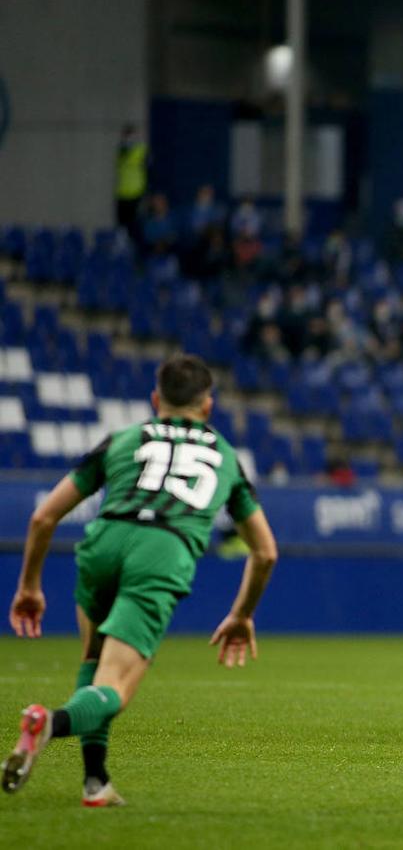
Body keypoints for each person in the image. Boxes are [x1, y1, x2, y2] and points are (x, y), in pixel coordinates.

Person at [4, 354, 278, 806]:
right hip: (162, 552)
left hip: (104, 543)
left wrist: (30, 585)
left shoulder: (123, 439)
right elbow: (265, 552)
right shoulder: (225, 456)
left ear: (156, 400)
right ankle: (48, 722)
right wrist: (241, 615)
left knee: (93, 660)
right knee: (115, 686)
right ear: (208, 407)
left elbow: (43, 517)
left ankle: (96, 782)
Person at [114, 124, 147, 246]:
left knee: (134, 224)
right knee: (121, 225)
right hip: (122, 193)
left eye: (131, 135)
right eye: (126, 136)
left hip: (135, 193)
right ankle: (122, 246)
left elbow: (137, 160)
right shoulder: (121, 151)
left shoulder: (140, 150)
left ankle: (136, 248)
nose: (128, 139)